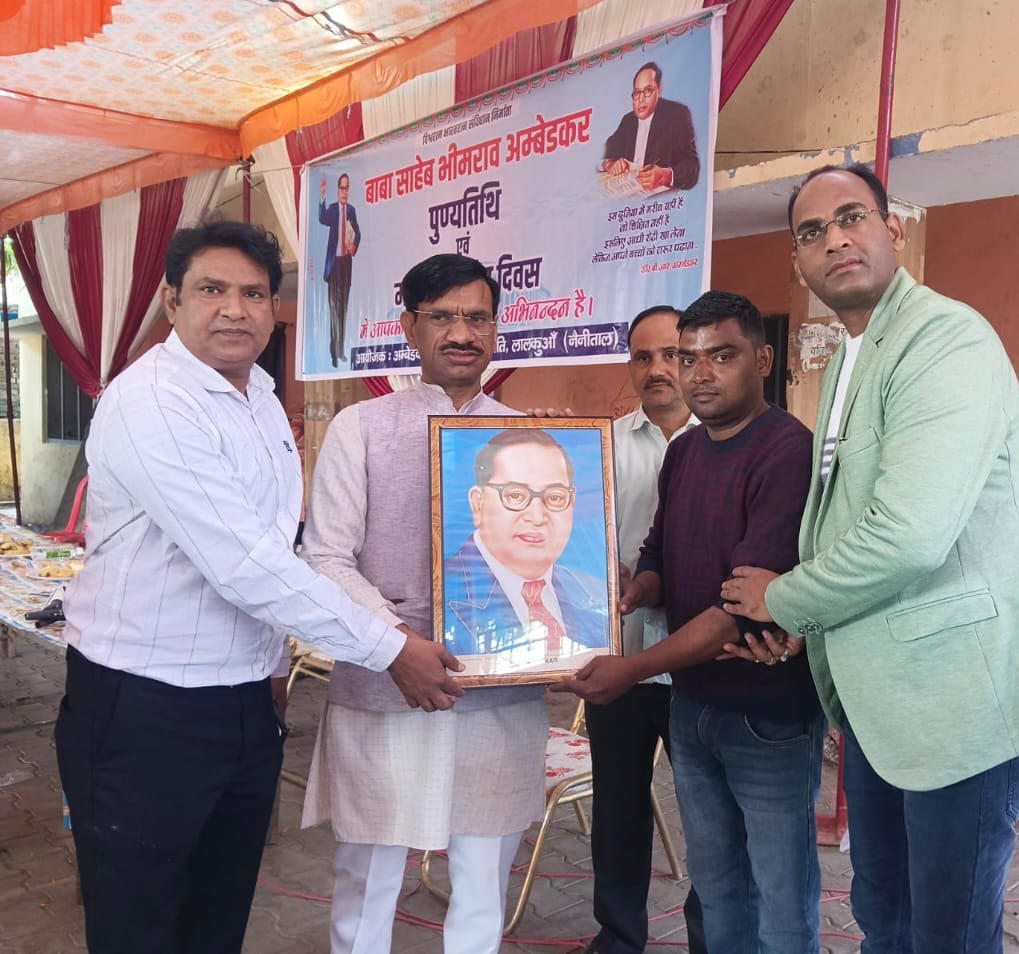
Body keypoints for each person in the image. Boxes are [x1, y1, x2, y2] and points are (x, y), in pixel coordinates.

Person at [54, 220, 463, 954]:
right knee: (138, 926)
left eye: (252, 293)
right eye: (212, 289)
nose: (234, 310)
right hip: (145, 706)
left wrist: (273, 668)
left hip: (242, 702)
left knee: (217, 919)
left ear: (275, 308)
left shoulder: (261, 397)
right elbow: (244, 565)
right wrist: (391, 648)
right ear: (172, 300)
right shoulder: (153, 401)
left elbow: (279, 548)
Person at [719, 164, 1019, 954]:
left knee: (944, 931)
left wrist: (787, 599)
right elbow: (845, 518)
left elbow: (909, 534)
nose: (834, 240)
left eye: (852, 217)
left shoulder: (944, 338)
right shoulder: (855, 352)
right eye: (811, 232)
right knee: (886, 913)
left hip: (957, 700)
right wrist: (810, 624)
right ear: (797, 261)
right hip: (887, 701)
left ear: (894, 230)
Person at [556, 291, 823, 954]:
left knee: (776, 889)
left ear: (763, 360)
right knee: (718, 877)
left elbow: (742, 609)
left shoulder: (787, 450)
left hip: (762, 708)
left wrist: (634, 667)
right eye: (688, 357)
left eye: (720, 356)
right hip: (694, 703)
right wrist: (638, 587)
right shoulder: (685, 453)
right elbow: (660, 552)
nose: (698, 373)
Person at [300, 254, 549, 954]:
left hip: (496, 693)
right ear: (409, 328)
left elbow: (552, 559)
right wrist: (396, 644)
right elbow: (325, 558)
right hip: (387, 681)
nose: (461, 333)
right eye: (441, 317)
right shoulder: (361, 426)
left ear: (496, 330)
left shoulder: (532, 437)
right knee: (367, 873)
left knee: (483, 880)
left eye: (477, 317)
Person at [577, 305, 705, 954]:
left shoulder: (727, 441)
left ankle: (710, 936)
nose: (658, 369)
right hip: (620, 659)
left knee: (710, 816)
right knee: (618, 809)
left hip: (702, 668)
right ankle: (619, 936)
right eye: (643, 356)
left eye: (672, 354)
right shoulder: (599, 447)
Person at [442, 427, 609, 659]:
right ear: (478, 503)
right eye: (516, 495)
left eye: (555, 497)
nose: (537, 517)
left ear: (572, 503)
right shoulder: (444, 590)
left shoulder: (596, 593)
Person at [602, 62, 700, 192]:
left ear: (659, 89)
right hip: (628, 196)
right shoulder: (628, 121)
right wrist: (609, 164)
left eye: (647, 91)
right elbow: (606, 151)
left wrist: (666, 176)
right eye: (637, 93)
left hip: (660, 200)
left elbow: (692, 167)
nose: (641, 99)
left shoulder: (677, 114)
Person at [318, 172, 360, 366]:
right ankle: (334, 353)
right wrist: (322, 196)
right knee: (334, 309)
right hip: (334, 264)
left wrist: (354, 246)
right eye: (342, 188)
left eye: (347, 188)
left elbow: (357, 232)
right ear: (338, 190)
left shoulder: (351, 210)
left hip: (346, 264)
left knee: (343, 308)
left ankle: (341, 350)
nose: (344, 191)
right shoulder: (333, 210)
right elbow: (322, 219)